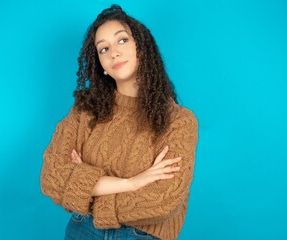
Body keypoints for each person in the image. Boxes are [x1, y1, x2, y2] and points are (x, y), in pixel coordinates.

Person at [40, 4, 198, 240]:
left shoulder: (179, 120)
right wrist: (132, 183)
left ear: (141, 48)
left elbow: (162, 201)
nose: (113, 52)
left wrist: (84, 185)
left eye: (122, 41)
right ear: (100, 65)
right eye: (103, 49)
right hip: (82, 230)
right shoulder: (85, 110)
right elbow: (51, 178)